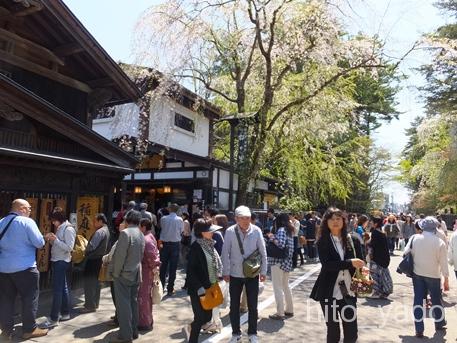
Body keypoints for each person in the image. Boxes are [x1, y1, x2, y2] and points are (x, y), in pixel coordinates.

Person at [310, 207, 365, 343]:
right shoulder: (323, 241)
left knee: (351, 332)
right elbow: (328, 265)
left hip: (349, 292)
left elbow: (361, 262)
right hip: (328, 291)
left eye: (338, 218)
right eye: (332, 219)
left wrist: (361, 267)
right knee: (333, 332)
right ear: (326, 222)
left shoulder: (353, 240)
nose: (335, 221)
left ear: (343, 221)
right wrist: (350, 263)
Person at [0, 199, 48, 340]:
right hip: (25, 268)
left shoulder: (1, 222)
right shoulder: (27, 222)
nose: (30, 211)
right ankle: (29, 329)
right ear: (21, 209)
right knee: (29, 299)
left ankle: (6, 331)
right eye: (29, 208)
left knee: (6, 301)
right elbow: (39, 243)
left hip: (3, 269)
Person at [221, 205, 267, 343]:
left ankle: (252, 333)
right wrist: (226, 271)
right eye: (242, 218)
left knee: (253, 305)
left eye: (248, 218)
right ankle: (236, 333)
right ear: (236, 218)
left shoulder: (256, 230)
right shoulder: (230, 231)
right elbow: (225, 253)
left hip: (252, 273)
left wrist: (263, 271)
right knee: (234, 305)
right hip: (235, 273)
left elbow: (263, 252)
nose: (246, 221)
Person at [405, 216, 449, 338]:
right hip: (434, 275)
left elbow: (405, 252)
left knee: (418, 300)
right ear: (435, 227)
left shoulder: (414, 238)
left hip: (417, 274)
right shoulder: (439, 242)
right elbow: (444, 263)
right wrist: (446, 279)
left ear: (422, 227)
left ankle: (419, 329)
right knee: (436, 300)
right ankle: (439, 323)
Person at [183, 219, 222, 343]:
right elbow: (191, 271)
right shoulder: (196, 247)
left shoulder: (210, 245)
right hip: (198, 289)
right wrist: (199, 287)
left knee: (207, 317)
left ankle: (191, 327)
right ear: (202, 233)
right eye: (210, 231)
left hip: (210, 286)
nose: (213, 233)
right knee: (200, 317)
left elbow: (215, 264)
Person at [109, 210, 145, 343]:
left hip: (124, 274)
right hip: (136, 273)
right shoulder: (141, 234)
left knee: (123, 305)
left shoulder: (125, 233)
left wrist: (115, 273)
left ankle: (125, 335)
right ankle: (134, 331)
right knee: (133, 303)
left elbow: (120, 257)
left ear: (128, 219)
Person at [42, 208, 76, 328]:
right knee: (63, 288)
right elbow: (59, 245)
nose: (52, 223)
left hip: (61, 261)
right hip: (58, 260)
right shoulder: (61, 227)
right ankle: (65, 313)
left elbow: (69, 247)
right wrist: (52, 240)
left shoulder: (68, 229)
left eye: (53, 220)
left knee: (57, 290)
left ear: (59, 219)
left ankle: (54, 317)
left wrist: (55, 240)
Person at [80, 213, 111, 313]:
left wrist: (84, 250)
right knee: (96, 283)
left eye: (95, 221)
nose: (93, 223)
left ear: (101, 221)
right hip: (99, 259)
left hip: (94, 259)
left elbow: (92, 246)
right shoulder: (106, 230)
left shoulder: (100, 232)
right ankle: (94, 303)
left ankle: (90, 306)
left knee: (89, 283)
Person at [267, 213, 295, 320]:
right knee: (285, 286)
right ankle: (289, 310)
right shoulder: (289, 231)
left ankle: (280, 313)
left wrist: (271, 237)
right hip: (287, 262)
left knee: (277, 287)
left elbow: (281, 244)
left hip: (278, 262)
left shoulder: (281, 230)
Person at [138, 218, 161, 331]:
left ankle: (145, 322)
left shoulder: (146, 239)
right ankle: (146, 320)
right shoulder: (150, 236)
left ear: (143, 227)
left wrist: (154, 267)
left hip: (147, 271)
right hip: (149, 269)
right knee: (146, 297)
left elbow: (152, 256)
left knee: (144, 297)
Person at [159, 203, 184, 296]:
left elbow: (161, 227)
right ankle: (170, 288)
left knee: (163, 266)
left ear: (169, 209)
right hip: (175, 244)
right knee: (173, 267)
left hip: (165, 244)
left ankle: (161, 286)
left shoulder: (163, 218)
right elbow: (181, 230)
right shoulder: (180, 219)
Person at [367, 217, 393, 299]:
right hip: (384, 258)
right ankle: (384, 291)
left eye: (372, 222)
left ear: (376, 224)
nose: (370, 223)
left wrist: (367, 242)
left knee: (374, 275)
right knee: (383, 275)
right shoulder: (382, 232)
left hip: (376, 258)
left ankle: (376, 292)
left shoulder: (374, 232)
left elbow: (372, 244)